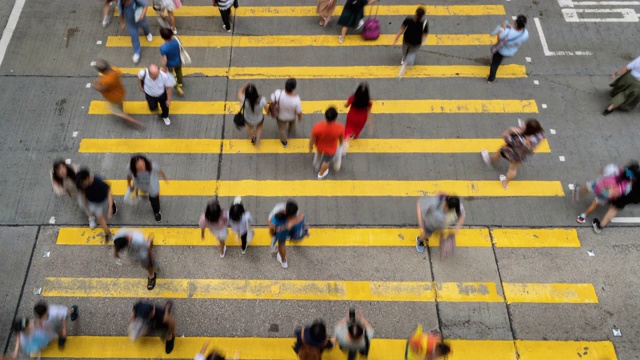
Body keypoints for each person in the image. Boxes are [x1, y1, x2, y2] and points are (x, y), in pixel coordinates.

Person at [480, 119, 545, 189]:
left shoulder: (519, 139)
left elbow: (504, 137)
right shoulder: (540, 135)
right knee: (513, 169)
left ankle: (490, 160)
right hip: (523, 155)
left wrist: (511, 130)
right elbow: (530, 136)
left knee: (499, 153)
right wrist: (525, 130)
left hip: (511, 151)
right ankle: (505, 184)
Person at [572, 162, 639, 224]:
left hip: (599, 185)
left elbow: (604, 171)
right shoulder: (626, 186)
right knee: (595, 203)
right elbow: (617, 194)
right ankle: (583, 216)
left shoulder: (616, 170)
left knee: (588, 187)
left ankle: (577, 190)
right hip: (605, 194)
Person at [93, 60, 142, 127]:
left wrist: (95, 85)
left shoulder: (105, 80)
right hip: (120, 92)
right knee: (119, 104)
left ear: (101, 71)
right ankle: (122, 110)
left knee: (116, 111)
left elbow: (102, 89)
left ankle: (133, 121)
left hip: (113, 98)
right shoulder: (115, 70)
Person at [51, 160, 94, 228]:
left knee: (85, 202)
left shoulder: (74, 170)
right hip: (73, 193)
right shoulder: (57, 180)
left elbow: (83, 175)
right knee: (83, 204)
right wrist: (60, 187)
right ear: (56, 172)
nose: (62, 171)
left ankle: (91, 217)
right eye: (59, 169)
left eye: (63, 168)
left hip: (81, 188)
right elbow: (60, 192)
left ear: (66, 167)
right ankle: (91, 216)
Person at [76, 168, 117, 241]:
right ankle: (107, 233)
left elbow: (109, 192)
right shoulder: (82, 185)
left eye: (83, 184)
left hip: (104, 199)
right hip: (93, 203)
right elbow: (83, 193)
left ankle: (113, 205)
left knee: (111, 200)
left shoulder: (98, 181)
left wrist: (110, 207)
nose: (83, 186)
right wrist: (86, 203)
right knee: (100, 217)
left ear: (88, 178)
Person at [487, 15, 529, 83]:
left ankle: (491, 79)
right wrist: (511, 28)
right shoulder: (525, 33)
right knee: (499, 60)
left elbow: (499, 38)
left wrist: (502, 28)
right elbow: (515, 33)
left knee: (495, 63)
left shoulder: (507, 32)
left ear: (516, 23)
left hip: (502, 50)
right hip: (512, 51)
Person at [268, 199, 308, 269]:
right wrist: (292, 223)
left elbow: (270, 224)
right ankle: (290, 238)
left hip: (282, 232)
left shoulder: (278, 216)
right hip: (293, 231)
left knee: (281, 243)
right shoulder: (296, 214)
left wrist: (273, 234)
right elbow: (301, 216)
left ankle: (284, 262)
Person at [127, 155, 169, 222]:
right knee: (144, 192)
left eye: (143, 164)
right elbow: (129, 176)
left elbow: (160, 171)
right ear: (134, 167)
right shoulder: (130, 169)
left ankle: (157, 212)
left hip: (153, 188)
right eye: (140, 167)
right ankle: (145, 193)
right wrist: (129, 184)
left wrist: (165, 177)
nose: (143, 168)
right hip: (141, 186)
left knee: (154, 201)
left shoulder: (153, 166)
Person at [309, 107, 345, 180]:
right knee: (326, 161)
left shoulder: (317, 126)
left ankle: (316, 164)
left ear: (325, 116)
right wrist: (341, 145)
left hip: (319, 146)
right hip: (331, 149)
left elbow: (312, 139)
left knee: (318, 154)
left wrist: (310, 147)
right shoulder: (340, 127)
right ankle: (321, 174)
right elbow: (341, 139)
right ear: (335, 118)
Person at [392, 7, 429, 78]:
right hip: (417, 42)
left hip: (406, 39)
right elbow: (425, 34)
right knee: (412, 53)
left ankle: (404, 59)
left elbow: (401, 29)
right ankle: (407, 62)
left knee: (405, 50)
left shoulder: (408, 20)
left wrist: (395, 40)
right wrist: (423, 40)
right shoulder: (424, 23)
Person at [269, 78, 303, 148]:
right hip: (292, 117)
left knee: (282, 129)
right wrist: (300, 118)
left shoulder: (278, 93)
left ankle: (284, 142)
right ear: (294, 88)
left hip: (280, 117)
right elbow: (299, 112)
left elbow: (272, 103)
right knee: (292, 124)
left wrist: (269, 109)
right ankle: (290, 132)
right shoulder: (296, 99)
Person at [343, 83, 372, 155]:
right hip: (362, 118)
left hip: (352, 116)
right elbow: (369, 111)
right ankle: (354, 136)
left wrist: (345, 104)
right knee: (357, 129)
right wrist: (371, 123)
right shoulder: (368, 102)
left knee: (348, 128)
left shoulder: (352, 99)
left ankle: (346, 142)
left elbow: (346, 105)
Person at [160, 28, 184, 96]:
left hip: (170, 64)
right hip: (179, 60)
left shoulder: (163, 48)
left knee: (171, 76)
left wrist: (163, 68)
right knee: (179, 71)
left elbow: (164, 60)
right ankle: (180, 82)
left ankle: (177, 87)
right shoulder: (177, 40)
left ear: (162, 37)